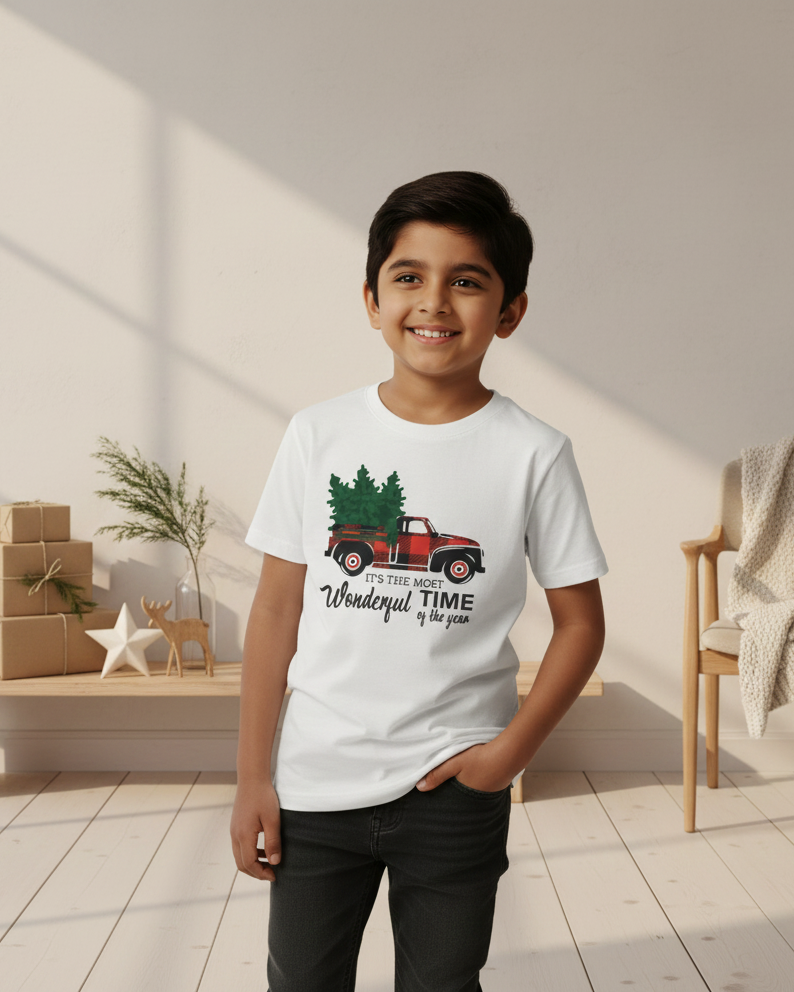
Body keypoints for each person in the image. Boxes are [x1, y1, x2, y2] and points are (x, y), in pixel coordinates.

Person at [230, 171, 607, 992]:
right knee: (300, 982)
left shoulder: (534, 453)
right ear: (372, 298)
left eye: (466, 281)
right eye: (409, 277)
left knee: (442, 984)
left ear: (509, 312)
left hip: (453, 788)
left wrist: (508, 756)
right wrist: (253, 776)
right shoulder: (317, 434)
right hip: (314, 781)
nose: (434, 302)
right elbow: (274, 609)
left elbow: (581, 623)